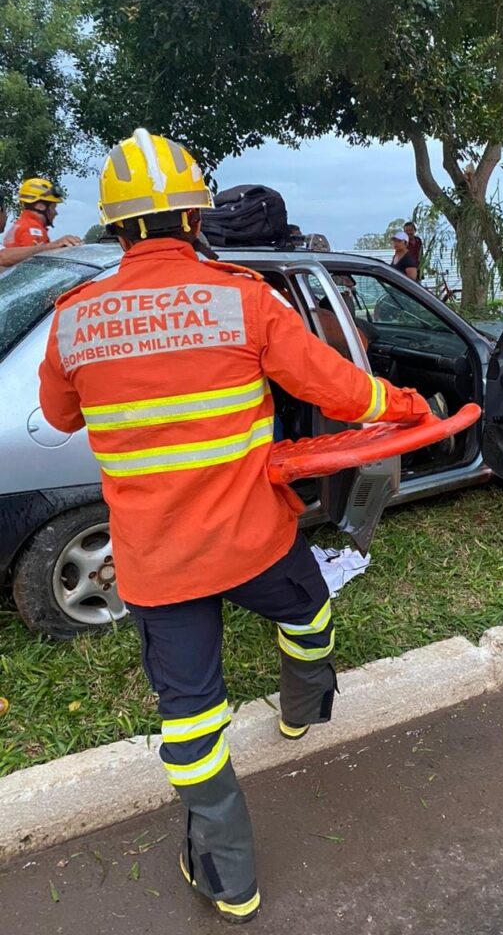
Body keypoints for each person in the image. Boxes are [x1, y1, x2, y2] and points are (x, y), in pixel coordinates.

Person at [38, 128, 431, 924]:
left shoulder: (75, 318)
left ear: (117, 229)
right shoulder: (244, 297)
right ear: (195, 219)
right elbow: (342, 392)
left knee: (191, 718)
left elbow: (56, 411)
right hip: (254, 538)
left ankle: (230, 878)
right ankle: (301, 712)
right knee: (311, 610)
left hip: (157, 560)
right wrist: (408, 405)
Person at [0, 178, 81, 268]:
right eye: (53, 208)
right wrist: (55, 246)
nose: (56, 213)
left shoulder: (21, 225)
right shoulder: (33, 231)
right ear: (40, 207)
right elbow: (37, 269)